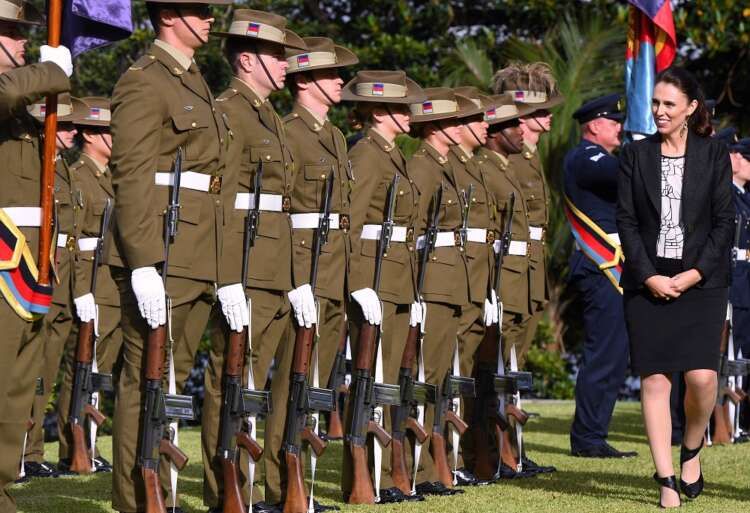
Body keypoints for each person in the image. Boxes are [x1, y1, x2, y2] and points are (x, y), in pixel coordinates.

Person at [107, 2, 234, 512]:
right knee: (146, 379)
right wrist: (141, 261)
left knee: (171, 381)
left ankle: (162, 492)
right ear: (167, 15)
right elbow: (132, 176)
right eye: (197, 10)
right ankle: (136, 500)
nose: (208, 18)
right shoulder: (144, 81)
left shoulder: (194, 80)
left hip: (197, 252)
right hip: (162, 249)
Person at [617, 67, 734, 508]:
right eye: (656, 103)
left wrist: (695, 273)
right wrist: (649, 275)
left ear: (690, 108)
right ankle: (666, 478)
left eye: (669, 104)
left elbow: (724, 222)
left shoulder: (713, 153)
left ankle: (692, 447)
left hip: (702, 281)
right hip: (647, 280)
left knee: (702, 378)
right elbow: (626, 221)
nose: (660, 111)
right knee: (656, 380)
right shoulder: (634, 154)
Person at [207, 9, 306, 512]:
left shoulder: (269, 117)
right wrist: (226, 278)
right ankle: (227, 492)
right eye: (276, 55)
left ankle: (256, 491)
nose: (286, 64)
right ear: (247, 60)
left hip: (275, 267)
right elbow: (220, 202)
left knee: (256, 383)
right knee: (232, 380)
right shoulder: (229, 112)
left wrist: (295, 276)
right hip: (245, 267)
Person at [264, 35, 358, 509]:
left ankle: (303, 479)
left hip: (336, 270)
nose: (340, 81)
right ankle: (277, 483)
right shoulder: (288, 133)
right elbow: (281, 214)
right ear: (304, 82)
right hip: (306, 268)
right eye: (330, 74)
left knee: (317, 381)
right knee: (291, 381)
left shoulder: (336, 137)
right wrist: (295, 277)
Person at [340, 69, 426, 504]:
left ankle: (386, 475)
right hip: (374, 279)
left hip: (396, 279)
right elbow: (351, 224)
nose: (410, 115)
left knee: (389, 381)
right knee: (370, 381)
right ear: (378, 112)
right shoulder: (367, 155)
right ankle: (366, 477)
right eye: (400, 108)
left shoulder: (392, 154)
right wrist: (358, 284)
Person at [0, 1, 72, 508]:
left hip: (28, 262)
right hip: (4, 258)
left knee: (16, 389)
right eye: (10, 32)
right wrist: (49, 72)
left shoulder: (20, 108)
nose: (22, 40)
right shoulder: (11, 94)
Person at [477, 93, 553, 475]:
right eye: (512, 124)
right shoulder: (488, 167)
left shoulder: (511, 164)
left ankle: (511, 451)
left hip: (525, 268)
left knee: (513, 365)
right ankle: (494, 451)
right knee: (497, 364)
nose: (520, 129)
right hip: (505, 273)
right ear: (493, 132)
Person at [406, 87, 475, 495]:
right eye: (453, 121)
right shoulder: (423, 167)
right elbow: (411, 233)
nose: (460, 127)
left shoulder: (443, 166)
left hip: (450, 280)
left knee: (439, 377)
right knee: (426, 377)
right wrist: (413, 289)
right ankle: (416, 468)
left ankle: (433, 465)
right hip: (431, 281)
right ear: (433, 127)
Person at [564, 94, 637, 459]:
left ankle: (594, 434)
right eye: (614, 121)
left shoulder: (601, 157)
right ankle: (588, 438)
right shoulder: (586, 157)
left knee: (615, 355)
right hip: (602, 267)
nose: (620, 128)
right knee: (604, 355)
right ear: (594, 125)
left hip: (614, 268)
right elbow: (623, 176)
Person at [56, 96, 123, 474]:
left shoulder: (113, 177)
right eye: (110, 132)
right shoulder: (78, 176)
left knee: (100, 370)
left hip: (112, 286)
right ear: (91, 135)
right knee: (80, 368)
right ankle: (74, 447)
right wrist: (81, 289)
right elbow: (74, 242)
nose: (117, 138)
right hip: (92, 283)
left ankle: (91, 445)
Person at [24, 94, 87, 478]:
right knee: (31, 371)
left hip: (63, 281)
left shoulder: (64, 168)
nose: (73, 132)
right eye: (64, 125)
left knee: (46, 373)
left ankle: (32, 451)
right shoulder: (36, 165)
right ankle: (23, 451)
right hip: (37, 278)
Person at [442, 86, 498, 486]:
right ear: (458, 124)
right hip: (457, 279)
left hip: (477, 278)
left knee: (470, 372)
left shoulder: (472, 164)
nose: (486, 125)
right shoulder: (449, 165)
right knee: (454, 370)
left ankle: (460, 455)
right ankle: (447, 456)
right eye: (477, 119)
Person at [491, 62, 563, 366]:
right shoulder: (512, 159)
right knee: (504, 341)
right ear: (522, 115)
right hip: (512, 260)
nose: (549, 116)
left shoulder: (530, 156)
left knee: (519, 342)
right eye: (541, 111)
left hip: (531, 259)